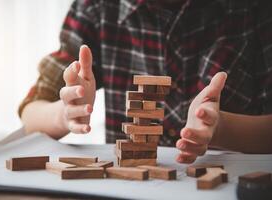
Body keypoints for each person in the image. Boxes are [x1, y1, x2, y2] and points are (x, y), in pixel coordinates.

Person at [19, 0, 272, 164]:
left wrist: (221, 128)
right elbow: (30, 113)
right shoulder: (94, 8)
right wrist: (65, 114)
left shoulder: (255, 10)